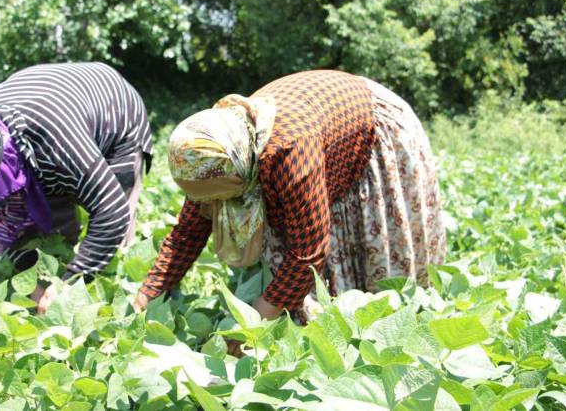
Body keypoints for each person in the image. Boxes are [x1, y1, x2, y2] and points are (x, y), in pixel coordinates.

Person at [134, 70, 445, 321]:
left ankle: (386, 325)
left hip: (373, 129)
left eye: (217, 198)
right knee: (299, 283)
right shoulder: (212, 155)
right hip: (319, 127)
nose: (213, 207)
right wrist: (146, 296)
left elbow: (309, 251)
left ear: (241, 171)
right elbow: (189, 231)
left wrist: (255, 325)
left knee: (371, 280)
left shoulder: (288, 152)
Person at [0, 62, 152, 313]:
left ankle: (120, 294)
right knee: (56, 228)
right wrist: (31, 284)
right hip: (54, 111)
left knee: (115, 232)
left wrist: (70, 284)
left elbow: (112, 211)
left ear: (7, 159)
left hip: (116, 111)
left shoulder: (55, 143)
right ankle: (63, 264)